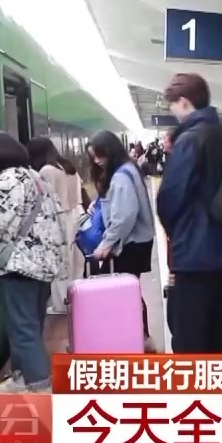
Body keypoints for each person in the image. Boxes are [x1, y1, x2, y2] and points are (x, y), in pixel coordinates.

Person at [156, 73, 222, 353]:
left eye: (172, 104)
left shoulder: (190, 139)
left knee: (191, 342)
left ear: (184, 102)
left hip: (194, 258)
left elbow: (169, 198)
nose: (172, 110)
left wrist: (177, 234)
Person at [0, 132, 66, 394]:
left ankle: (40, 388)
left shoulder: (6, 181)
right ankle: (21, 377)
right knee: (31, 324)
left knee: (23, 330)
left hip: (19, 266)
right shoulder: (36, 177)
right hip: (43, 264)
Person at [88, 130, 157, 352]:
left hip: (130, 243)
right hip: (136, 241)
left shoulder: (120, 176)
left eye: (99, 155)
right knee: (131, 289)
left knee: (127, 291)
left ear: (110, 151)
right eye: (93, 157)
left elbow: (124, 216)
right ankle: (140, 336)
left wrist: (106, 243)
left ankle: (137, 337)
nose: (97, 161)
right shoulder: (128, 169)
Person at [28, 137, 85, 316]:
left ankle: (62, 305)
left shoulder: (46, 170)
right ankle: (76, 299)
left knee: (61, 264)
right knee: (75, 262)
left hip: (59, 219)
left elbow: (43, 199)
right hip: (75, 215)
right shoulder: (68, 166)